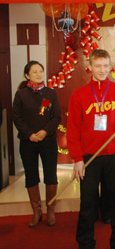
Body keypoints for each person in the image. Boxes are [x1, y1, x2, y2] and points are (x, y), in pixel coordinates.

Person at [67, 49, 115, 249]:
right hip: (89, 158)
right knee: (88, 202)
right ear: (89, 67)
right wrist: (77, 158)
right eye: (97, 66)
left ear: (110, 67)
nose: (102, 70)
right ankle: (85, 242)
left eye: (105, 66)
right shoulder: (78, 95)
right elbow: (73, 129)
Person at [12, 60, 61, 227]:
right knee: (31, 176)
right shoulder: (21, 94)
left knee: (51, 175)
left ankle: (51, 211)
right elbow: (16, 118)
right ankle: (36, 211)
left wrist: (45, 131)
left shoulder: (50, 93)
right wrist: (30, 134)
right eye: (35, 72)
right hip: (28, 141)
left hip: (47, 140)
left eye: (41, 71)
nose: (39, 74)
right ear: (27, 75)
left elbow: (56, 117)